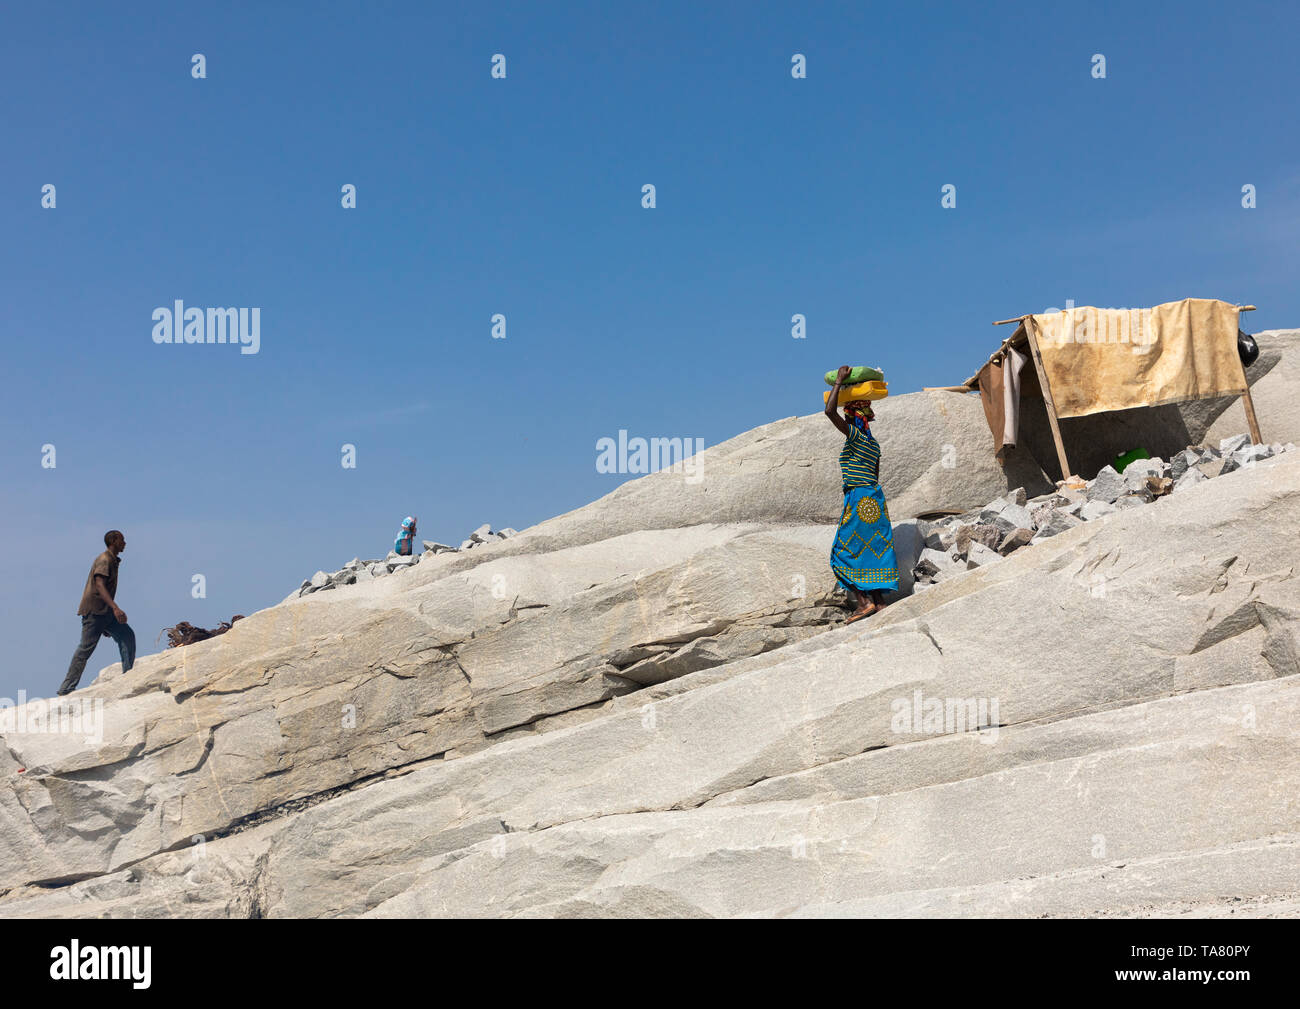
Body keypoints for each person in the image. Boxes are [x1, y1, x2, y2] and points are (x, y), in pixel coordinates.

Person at [824, 366, 899, 623]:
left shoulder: (854, 436)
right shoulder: (874, 444)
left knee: (841, 553)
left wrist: (840, 382)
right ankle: (879, 603)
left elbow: (828, 411)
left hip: (858, 498)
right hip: (876, 499)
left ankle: (864, 603)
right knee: (871, 548)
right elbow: (875, 475)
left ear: (853, 419)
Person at [59, 530, 136, 695]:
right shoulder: (104, 559)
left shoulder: (113, 560)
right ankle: (66, 688)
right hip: (95, 611)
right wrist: (115, 607)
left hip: (105, 613)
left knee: (127, 636)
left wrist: (109, 615)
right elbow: (99, 584)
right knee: (85, 648)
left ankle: (128, 675)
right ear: (114, 541)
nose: (125, 543)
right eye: (122, 540)